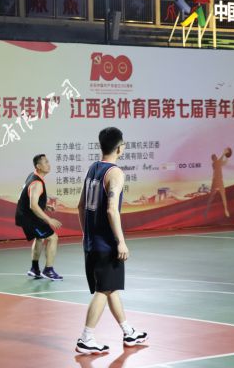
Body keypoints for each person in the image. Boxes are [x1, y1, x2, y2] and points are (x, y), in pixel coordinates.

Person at [76, 127, 147, 354]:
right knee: (103, 290)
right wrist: (121, 241)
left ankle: (128, 332)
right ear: (119, 148)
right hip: (106, 244)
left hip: (91, 242)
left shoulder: (92, 168)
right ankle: (86, 338)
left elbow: (80, 206)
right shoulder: (115, 173)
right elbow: (111, 210)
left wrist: (86, 234)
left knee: (111, 287)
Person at [15, 154, 63, 280]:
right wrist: (49, 219)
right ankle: (48, 270)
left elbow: (27, 197)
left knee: (40, 238)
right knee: (53, 238)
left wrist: (45, 206)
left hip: (25, 215)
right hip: (30, 217)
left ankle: (34, 269)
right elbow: (33, 206)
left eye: (48, 161)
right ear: (38, 166)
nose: (48, 164)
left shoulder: (32, 176)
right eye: (45, 162)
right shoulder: (37, 183)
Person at [204, 148, 231, 218]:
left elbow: (225, 162)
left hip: (220, 181)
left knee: (223, 195)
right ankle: (206, 210)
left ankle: (226, 210)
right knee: (211, 196)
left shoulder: (218, 162)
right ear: (213, 159)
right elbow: (220, 161)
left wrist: (227, 156)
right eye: (214, 157)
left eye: (216, 157)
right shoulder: (214, 164)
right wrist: (224, 153)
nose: (216, 158)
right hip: (215, 181)